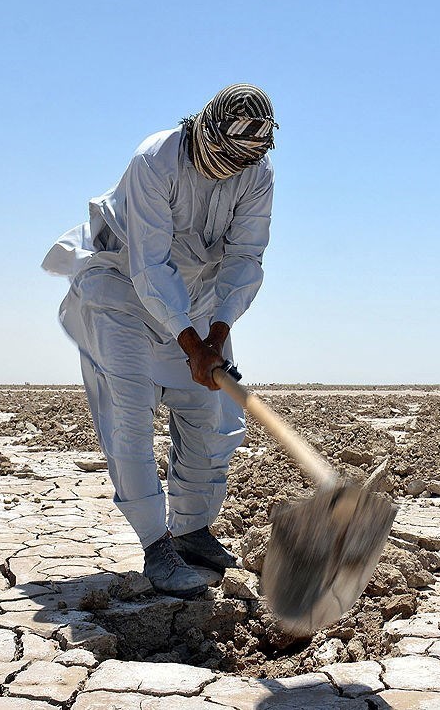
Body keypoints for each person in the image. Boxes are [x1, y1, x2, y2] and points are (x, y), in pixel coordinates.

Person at [42, 84, 277, 597]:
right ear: (204, 133)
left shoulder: (257, 173)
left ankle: (192, 530)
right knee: (129, 409)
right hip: (120, 282)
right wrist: (193, 346)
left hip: (195, 293)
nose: (235, 168)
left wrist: (215, 333)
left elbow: (244, 258)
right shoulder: (156, 159)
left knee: (208, 409)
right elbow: (150, 264)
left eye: (246, 160)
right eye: (227, 156)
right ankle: (156, 544)